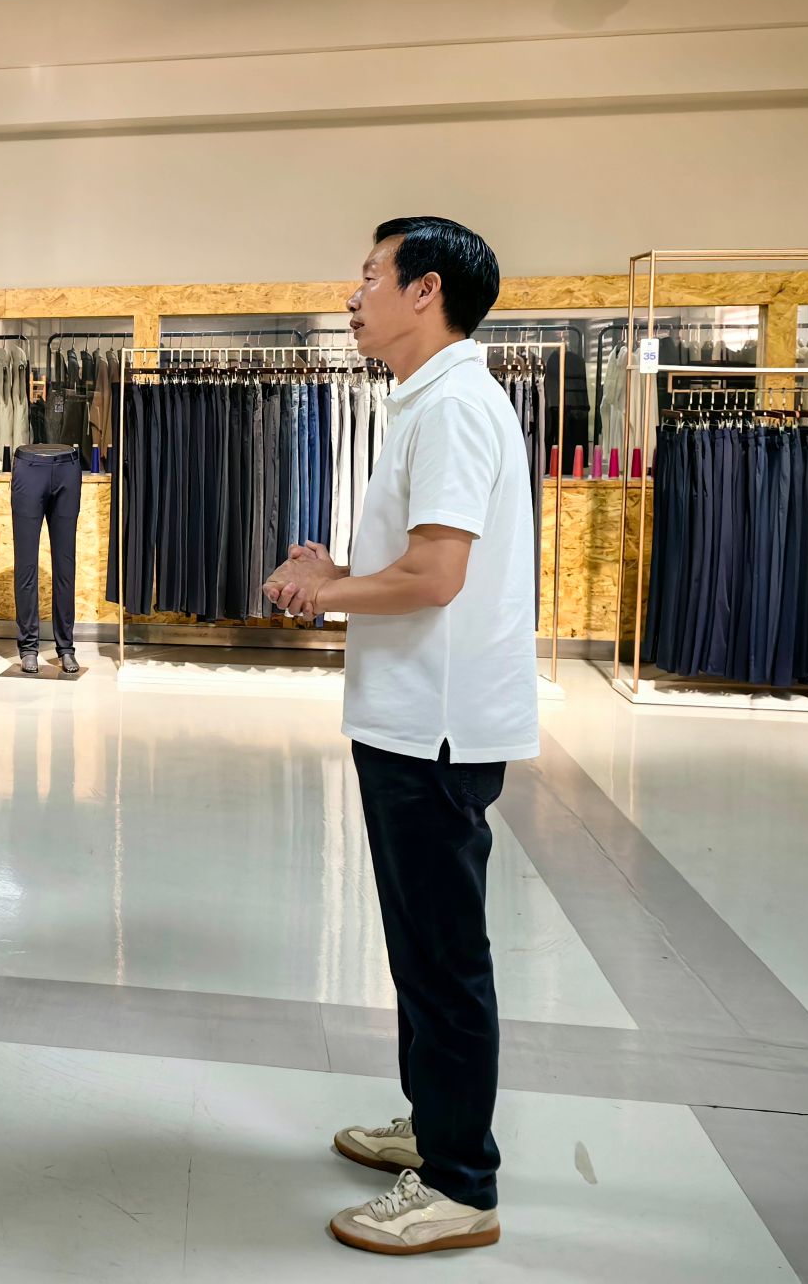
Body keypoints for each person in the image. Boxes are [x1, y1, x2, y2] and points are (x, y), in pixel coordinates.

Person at [266, 216, 537, 1257]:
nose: (353, 294)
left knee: (442, 956)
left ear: (425, 290)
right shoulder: (428, 397)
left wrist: (320, 591)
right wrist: (338, 568)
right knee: (420, 949)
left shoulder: (455, 405)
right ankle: (434, 1127)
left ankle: (461, 1186)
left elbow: (434, 577)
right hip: (412, 716)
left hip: (436, 727)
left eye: (370, 274)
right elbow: (418, 560)